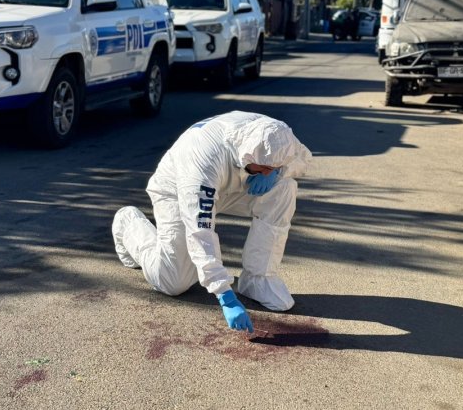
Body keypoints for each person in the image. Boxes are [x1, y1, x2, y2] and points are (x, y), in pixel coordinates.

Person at [112, 111, 313, 333]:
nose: (268, 170)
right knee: (174, 281)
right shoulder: (202, 161)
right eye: (265, 166)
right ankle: (128, 223)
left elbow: (303, 159)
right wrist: (224, 295)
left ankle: (258, 278)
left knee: (284, 188)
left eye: (273, 166)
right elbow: (201, 231)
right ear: (247, 154)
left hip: (231, 184)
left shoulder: (276, 136)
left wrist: (277, 174)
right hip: (177, 192)